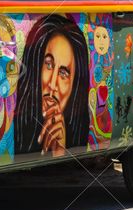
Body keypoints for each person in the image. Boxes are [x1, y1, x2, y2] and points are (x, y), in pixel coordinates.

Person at [14, 14, 90, 157]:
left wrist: (60, 150)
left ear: (75, 88)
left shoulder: (75, 135)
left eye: (63, 73)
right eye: (48, 65)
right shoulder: (14, 131)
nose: (52, 84)